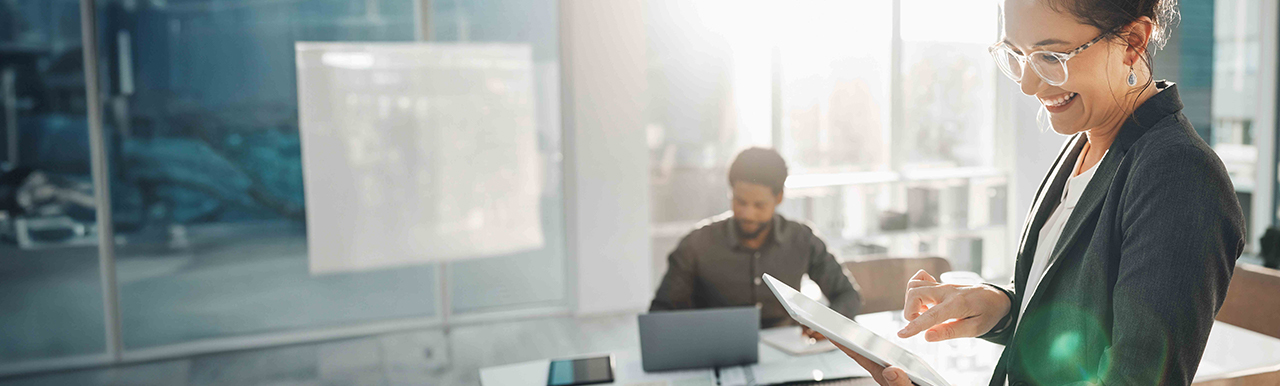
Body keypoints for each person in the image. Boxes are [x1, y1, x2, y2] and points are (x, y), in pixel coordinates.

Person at [838, 0, 1245, 384]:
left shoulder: (1180, 174)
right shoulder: (1085, 144)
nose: (1028, 84)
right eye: (1017, 54)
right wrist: (1001, 306)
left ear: (1133, 41)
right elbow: (1077, 315)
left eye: (1052, 56)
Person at [650, 147, 862, 336]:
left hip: (788, 351)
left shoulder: (802, 239)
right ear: (730, 192)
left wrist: (826, 325)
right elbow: (660, 313)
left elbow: (848, 295)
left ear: (779, 198)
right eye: (740, 202)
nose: (747, 214)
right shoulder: (696, 243)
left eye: (759, 205)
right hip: (717, 350)